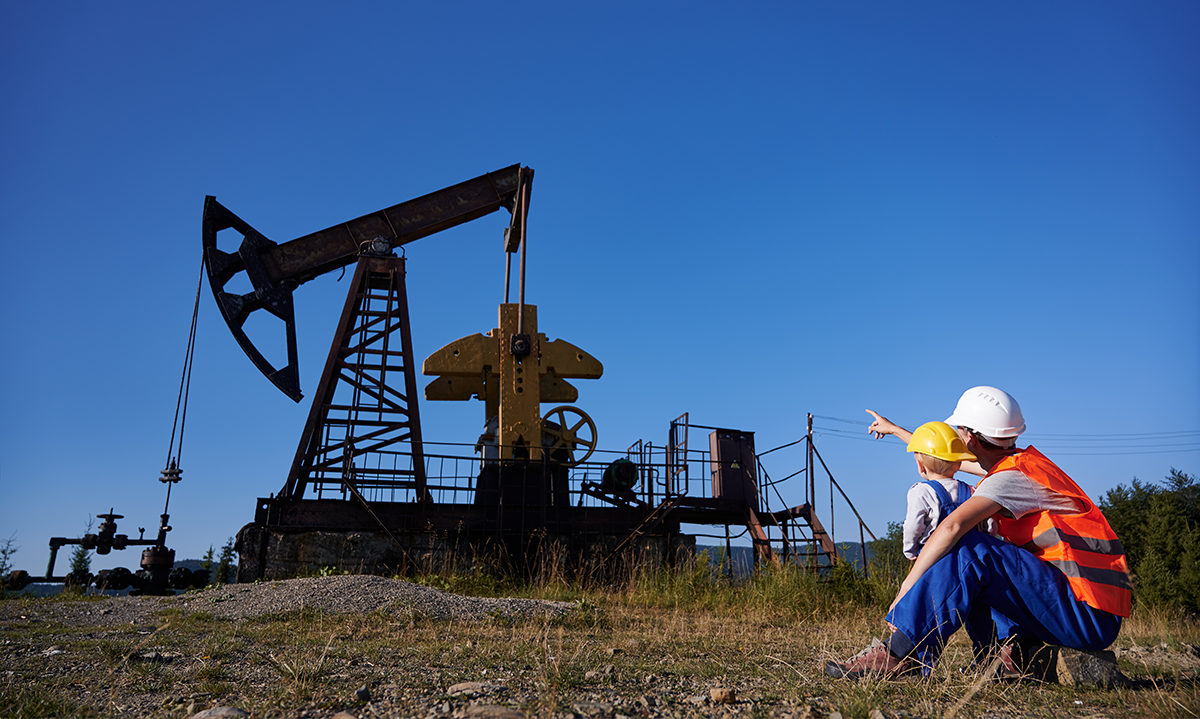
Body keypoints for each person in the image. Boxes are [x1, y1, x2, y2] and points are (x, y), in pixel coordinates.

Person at [827, 386, 1131, 679]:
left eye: (958, 429)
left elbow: (952, 526)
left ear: (970, 436)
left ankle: (899, 654)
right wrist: (895, 430)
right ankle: (999, 654)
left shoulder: (1010, 479)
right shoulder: (1018, 466)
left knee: (970, 546)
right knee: (979, 554)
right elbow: (946, 462)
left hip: (1087, 618)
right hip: (1083, 610)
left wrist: (907, 586)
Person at [900, 421, 978, 560]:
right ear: (959, 463)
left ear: (921, 466)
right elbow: (989, 525)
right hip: (972, 556)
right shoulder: (973, 491)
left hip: (936, 558)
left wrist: (910, 550)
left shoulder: (921, 492)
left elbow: (913, 526)